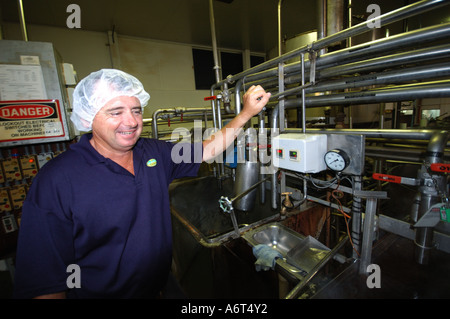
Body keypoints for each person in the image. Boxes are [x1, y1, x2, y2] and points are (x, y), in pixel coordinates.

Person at [13, 69, 270, 299]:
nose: (132, 121)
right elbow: (45, 282)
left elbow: (206, 150)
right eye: (116, 112)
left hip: (160, 288)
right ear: (89, 117)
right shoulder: (56, 181)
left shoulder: (152, 152)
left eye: (136, 110)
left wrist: (246, 113)